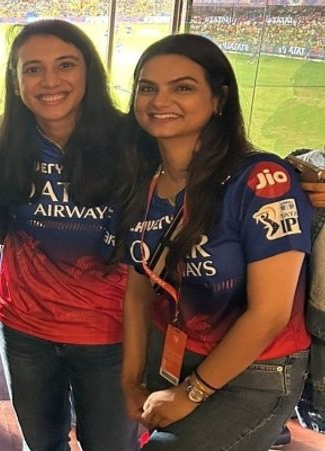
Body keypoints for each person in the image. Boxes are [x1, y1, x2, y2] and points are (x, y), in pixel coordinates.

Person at [118, 33, 311, 449]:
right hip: (174, 355)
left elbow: (271, 313)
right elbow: (138, 287)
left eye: (182, 87)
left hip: (254, 371)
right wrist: (130, 380)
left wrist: (192, 393)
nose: (159, 100)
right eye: (147, 88)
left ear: (219, 99)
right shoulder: (142, 180)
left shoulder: (261, 181)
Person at [0, 20, 139, 451]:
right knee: (43, 445)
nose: (49, 81)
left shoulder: (133, 139)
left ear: (88, 71)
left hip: (110, 332)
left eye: (65, 65)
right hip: (25, 328)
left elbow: (219, 166)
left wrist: (300, 174)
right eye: (32, 69)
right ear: (15, 83)